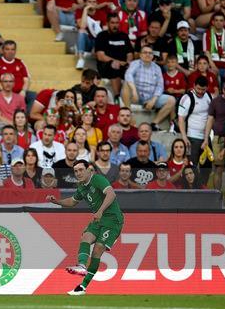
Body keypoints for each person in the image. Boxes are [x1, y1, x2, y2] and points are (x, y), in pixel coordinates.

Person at [46, 159, 124, 296]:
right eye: (76, 171)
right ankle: (81, 266)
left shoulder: (98, 179)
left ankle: (83, 286)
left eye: (81, 170)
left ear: (89, 169)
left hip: (112, 219)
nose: (78, 173)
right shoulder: (81, 186)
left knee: (97, 250)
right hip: (98, 219)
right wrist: (56, 201)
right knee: (86, 237)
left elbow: (111, 194)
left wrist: (100, 210)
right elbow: (72, 201)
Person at [122, 46, 177, 131]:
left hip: (150, 97)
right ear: (140, 55)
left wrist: (153, 100)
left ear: (152, 56)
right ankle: (129, 114)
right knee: (126, 83)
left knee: (172, 100)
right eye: (145, 52)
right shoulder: (135, 63)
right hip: (135, 96)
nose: (148, 54)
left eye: (150, 53)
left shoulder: (157, 68)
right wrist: (134, 91)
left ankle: (154, 124)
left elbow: (160, 86)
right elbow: (128, 75)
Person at [95, 13, 134, 97]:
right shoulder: (102, 36)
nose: (115, 25)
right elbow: (100, 56)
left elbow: (130, 53)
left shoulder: (124, 36)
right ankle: (117, 96)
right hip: (106, 66)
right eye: (112, 23)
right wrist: (117, 61)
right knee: (115, 65)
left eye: (117, 23)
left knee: (133, 67)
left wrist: (128, 62)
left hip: (123, 64)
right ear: (108, 23)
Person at [178, 76, 212, 166]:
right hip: (192, 137)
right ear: (193, 86)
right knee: (191, 166)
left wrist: (206, 138)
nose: (200, 92)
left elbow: (210, 117)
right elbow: (181, 119)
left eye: (203, 89)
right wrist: (184, 137)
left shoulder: (208, 96)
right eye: (198, 89)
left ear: (207, 88)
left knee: (207, 167)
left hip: (206, 138)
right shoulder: (186, 98)